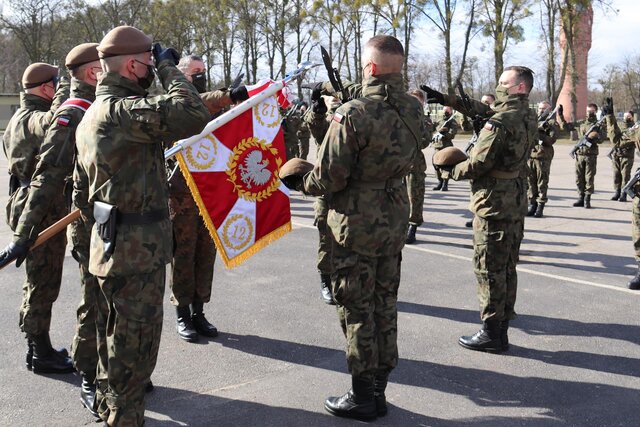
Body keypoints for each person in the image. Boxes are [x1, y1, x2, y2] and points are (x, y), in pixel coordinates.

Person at [74, 25, 210, 426]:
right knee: (132, 362)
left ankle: (110, 411)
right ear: (133, 66)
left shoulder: (91, 115)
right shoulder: (122, 112)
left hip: (111, 247)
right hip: (136, 256)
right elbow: (192, 114)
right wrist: (170, 69)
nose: (153, 67)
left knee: (111, 350)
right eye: (148, 62)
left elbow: (82, 195)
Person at [282, 35, 423, 420]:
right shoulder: (414, 108)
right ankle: (378, 389)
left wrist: (300, 183)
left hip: (355, 224)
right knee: (385, 304)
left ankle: (362, 395)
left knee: (357, 308)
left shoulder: (354, 113)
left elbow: (329, 176)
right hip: (393, 216)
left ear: (371, 68)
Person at [442, 66, 537, 353]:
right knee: (507, 266)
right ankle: (502, 327)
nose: (498, 87)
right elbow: (487, 114)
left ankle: (492, 333)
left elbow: (478, 163)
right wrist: (454, 101)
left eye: (503, 83)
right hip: (516, 199)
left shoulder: (500, 121)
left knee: (488, 269)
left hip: (494, 203)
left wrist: (450, 170)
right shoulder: (528, 115)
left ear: (519, 87)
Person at [168, 54, 248, 342]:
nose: (200, 75)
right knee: (183, 254)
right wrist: (226, 95)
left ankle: (199, 311)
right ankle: (182, 313)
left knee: (206, 253)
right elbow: (202, 101)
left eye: (203, 71)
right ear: (181, 76)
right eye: (195, 72)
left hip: (209, 193)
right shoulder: (176, 104)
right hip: (181, 195)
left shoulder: (213, 106)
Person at [0, 62, 71, 373]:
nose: (59, 87)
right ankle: (39, 351)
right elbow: (56, 123)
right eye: (56, 83)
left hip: (26, 201)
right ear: (46, 89)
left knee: (38, 279)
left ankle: (37, 348)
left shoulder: (17, 116)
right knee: (43, 281)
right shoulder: (34, 118)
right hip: (40, 207)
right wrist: (69, 93)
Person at [405, 89, 433, 244]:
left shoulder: (425, 120)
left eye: (418, 101)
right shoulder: (398, 115)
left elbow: (424, 141)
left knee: (415, 198)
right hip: (397, 163)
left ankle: (412, 227)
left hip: (415, 164)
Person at [527, 101, 560, 218]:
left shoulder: (551, 123)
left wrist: (538, 133)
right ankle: (532, 205)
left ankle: (540, 207)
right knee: (530, 182)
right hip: (530, 155)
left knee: (542, 183)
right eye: (540, 108)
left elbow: (551, 140)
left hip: (543, 156)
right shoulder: (533, 121)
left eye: (544, 108)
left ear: (549, 110)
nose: (541, 110)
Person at [570, 103, 606, 209]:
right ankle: (580, 198)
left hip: (591, 155)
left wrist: (594, 136)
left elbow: (602, 139)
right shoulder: (582, 123)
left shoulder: (599, 124)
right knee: (578, 178)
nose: (589, 113)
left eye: (591, 111)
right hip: (580, 154)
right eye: (588, 111)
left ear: (595, 111)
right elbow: (569, 127)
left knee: (589, 178)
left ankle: (587, 199)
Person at [605, 107, 636, 202]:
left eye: (628, 116)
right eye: (625, 115)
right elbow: (613, 136)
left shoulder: (634, 128)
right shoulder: (620, 126)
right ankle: (617, 192)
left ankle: (624, 193)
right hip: (617, 154)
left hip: (627, 155)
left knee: (625, 175)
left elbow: (623, 140)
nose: (626, 117)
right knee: (616, 174)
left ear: (632, 117)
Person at [431, 106, 459, 191]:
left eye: (447, 111)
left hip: (446, 146)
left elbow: (452, 134)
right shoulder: (439, 120)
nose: (445, 112)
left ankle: (445, 183)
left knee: (445, 166)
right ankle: (439, 181)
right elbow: (432, 129)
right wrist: (438, 131)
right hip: (437, 146)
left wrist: (444, 133)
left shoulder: (452, 122)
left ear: (451, 111)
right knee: (436, 165)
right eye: (444, 110)